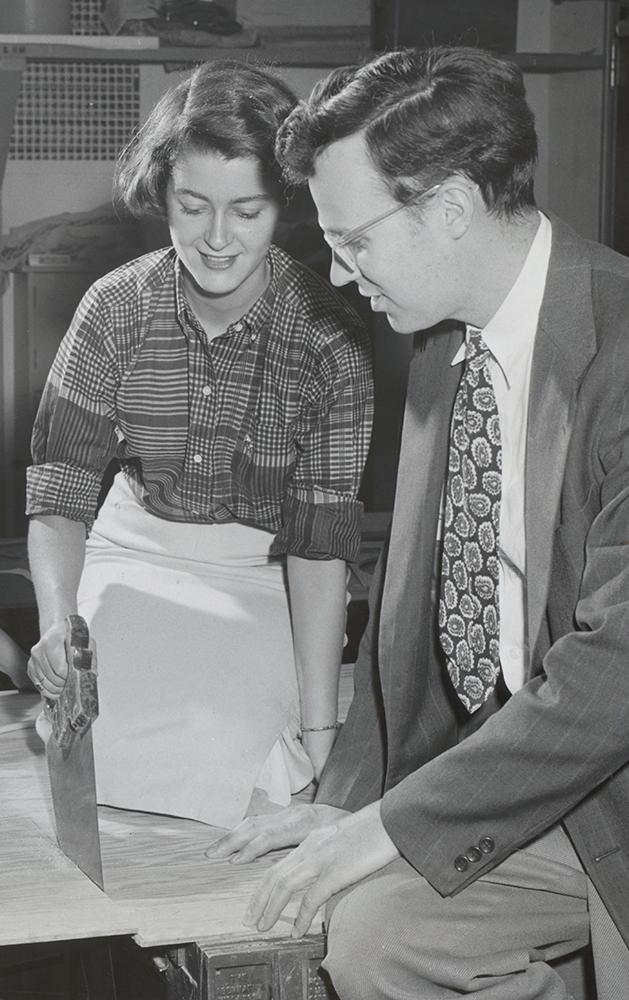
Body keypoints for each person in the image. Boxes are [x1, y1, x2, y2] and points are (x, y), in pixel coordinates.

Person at [207, 45, 629, 999]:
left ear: (446, 208)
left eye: (353, 239)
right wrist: (349, 805)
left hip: (615, 783)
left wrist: (389, 829)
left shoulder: (623, 347)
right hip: (523, 775)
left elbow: (616, 674)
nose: (342, 274)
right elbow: (406, 617)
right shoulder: (442, 344)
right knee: (372, 938)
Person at [25, 60, 373, 829]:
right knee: (89, 744)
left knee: (244, 761)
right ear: (162, 195)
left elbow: (318, 548)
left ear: (285, 205)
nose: (217, 240)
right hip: (132, 549)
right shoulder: (114, 307)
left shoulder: (330, 339)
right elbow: (61, 490)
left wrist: (320, 735)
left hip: (265, 570)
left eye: (246, 212)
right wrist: (60, 622)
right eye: (192, 206)